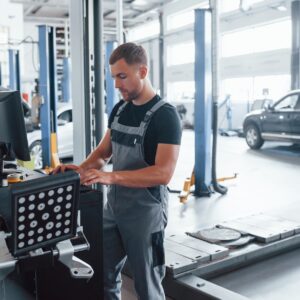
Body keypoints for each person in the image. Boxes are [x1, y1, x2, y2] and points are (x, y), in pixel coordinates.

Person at [53, 42, 182, 300]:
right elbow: (102, 154)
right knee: (103, 277)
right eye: (113, 77)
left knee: (148, 288)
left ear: (142, 72)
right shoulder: (120, 110)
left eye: (122, 76)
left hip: (146, 216)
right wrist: (80, 169)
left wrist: (109, 177)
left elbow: (163, 173)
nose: (116, 84)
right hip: (113, 211)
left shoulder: (165, 116)